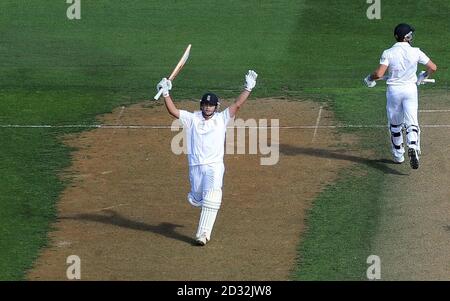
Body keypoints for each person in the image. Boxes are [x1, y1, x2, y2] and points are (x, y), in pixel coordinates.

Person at [156, 70, 258, 245]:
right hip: (195, 166)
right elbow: (173, 111)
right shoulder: (192, 119)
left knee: (213, 196)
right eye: (205, 104)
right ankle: (200, 205)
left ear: (216, 106)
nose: (207, 107)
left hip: (214, 165)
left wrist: (248, 87)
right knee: (197, 198)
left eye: (211, 105)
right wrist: (165, 92)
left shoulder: (222, 118)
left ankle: (203, 234)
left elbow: (237, 105)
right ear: (201, 105)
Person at [364, 23, 437, 169]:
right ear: (407, 37)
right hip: (410, 89)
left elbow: (379, 74)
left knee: (395, 124)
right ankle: (413, 145)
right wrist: (423, 76)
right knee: (412, 121)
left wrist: (369, 79)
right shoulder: (416, 51)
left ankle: (398, 155)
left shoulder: (388, 52)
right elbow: (433, 67)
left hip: (394, 91)